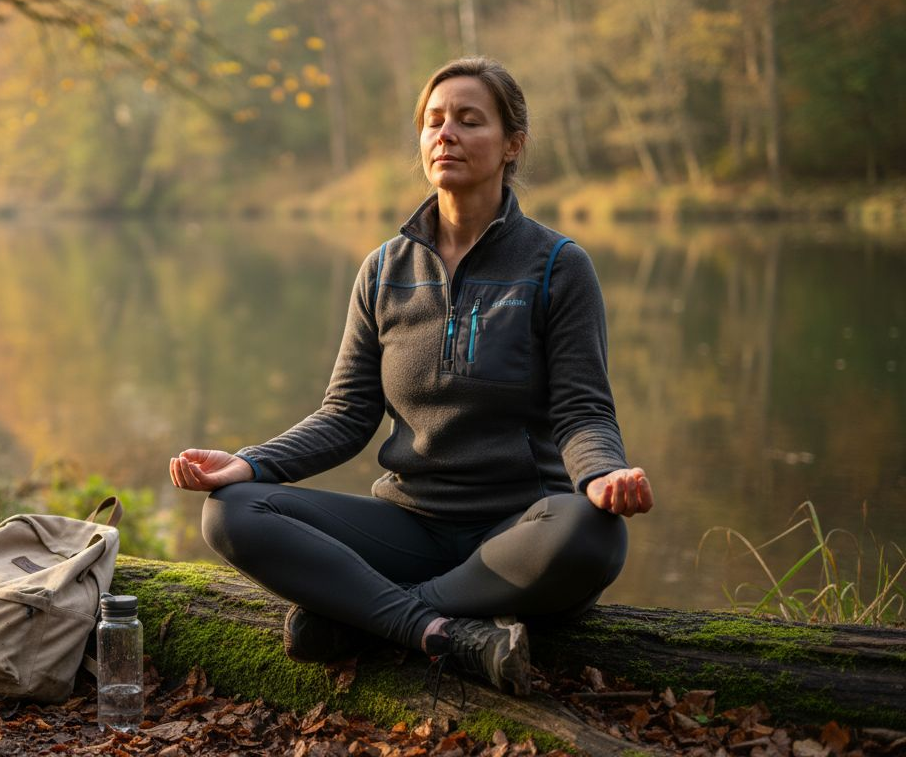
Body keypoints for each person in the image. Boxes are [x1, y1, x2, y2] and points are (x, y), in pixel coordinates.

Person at [168, 56, 653, 698]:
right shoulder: (384, 270)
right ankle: (438, 630)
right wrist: (252, 463)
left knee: (593, 533)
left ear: (512, 144)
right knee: (232, 512)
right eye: (434, 121)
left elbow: (581, 411)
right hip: (408, 526)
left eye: (469, 120)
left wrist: (601, 476)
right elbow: (346, 415)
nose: (445, 134)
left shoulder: (558, 266)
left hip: (518, 531)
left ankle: (365, 619)